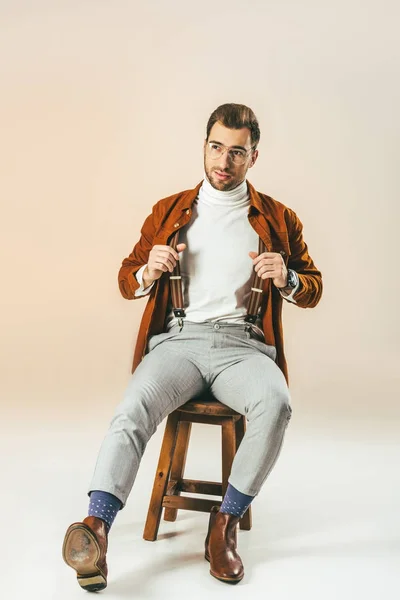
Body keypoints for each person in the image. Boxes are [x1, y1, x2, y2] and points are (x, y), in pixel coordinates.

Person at [62, 103, 323, 590]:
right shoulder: (169, 211)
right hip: (179, 340)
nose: (224, 161)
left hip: (243, 347)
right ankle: (96, 529)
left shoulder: (279, 218)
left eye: (237, 153)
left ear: (254, 157)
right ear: (205, 146)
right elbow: (126, 278)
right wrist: (148, 270)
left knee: (277, 403)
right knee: (132, 407)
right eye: (216, 148)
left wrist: (286, 276)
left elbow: (313, 285)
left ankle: (222, 525)